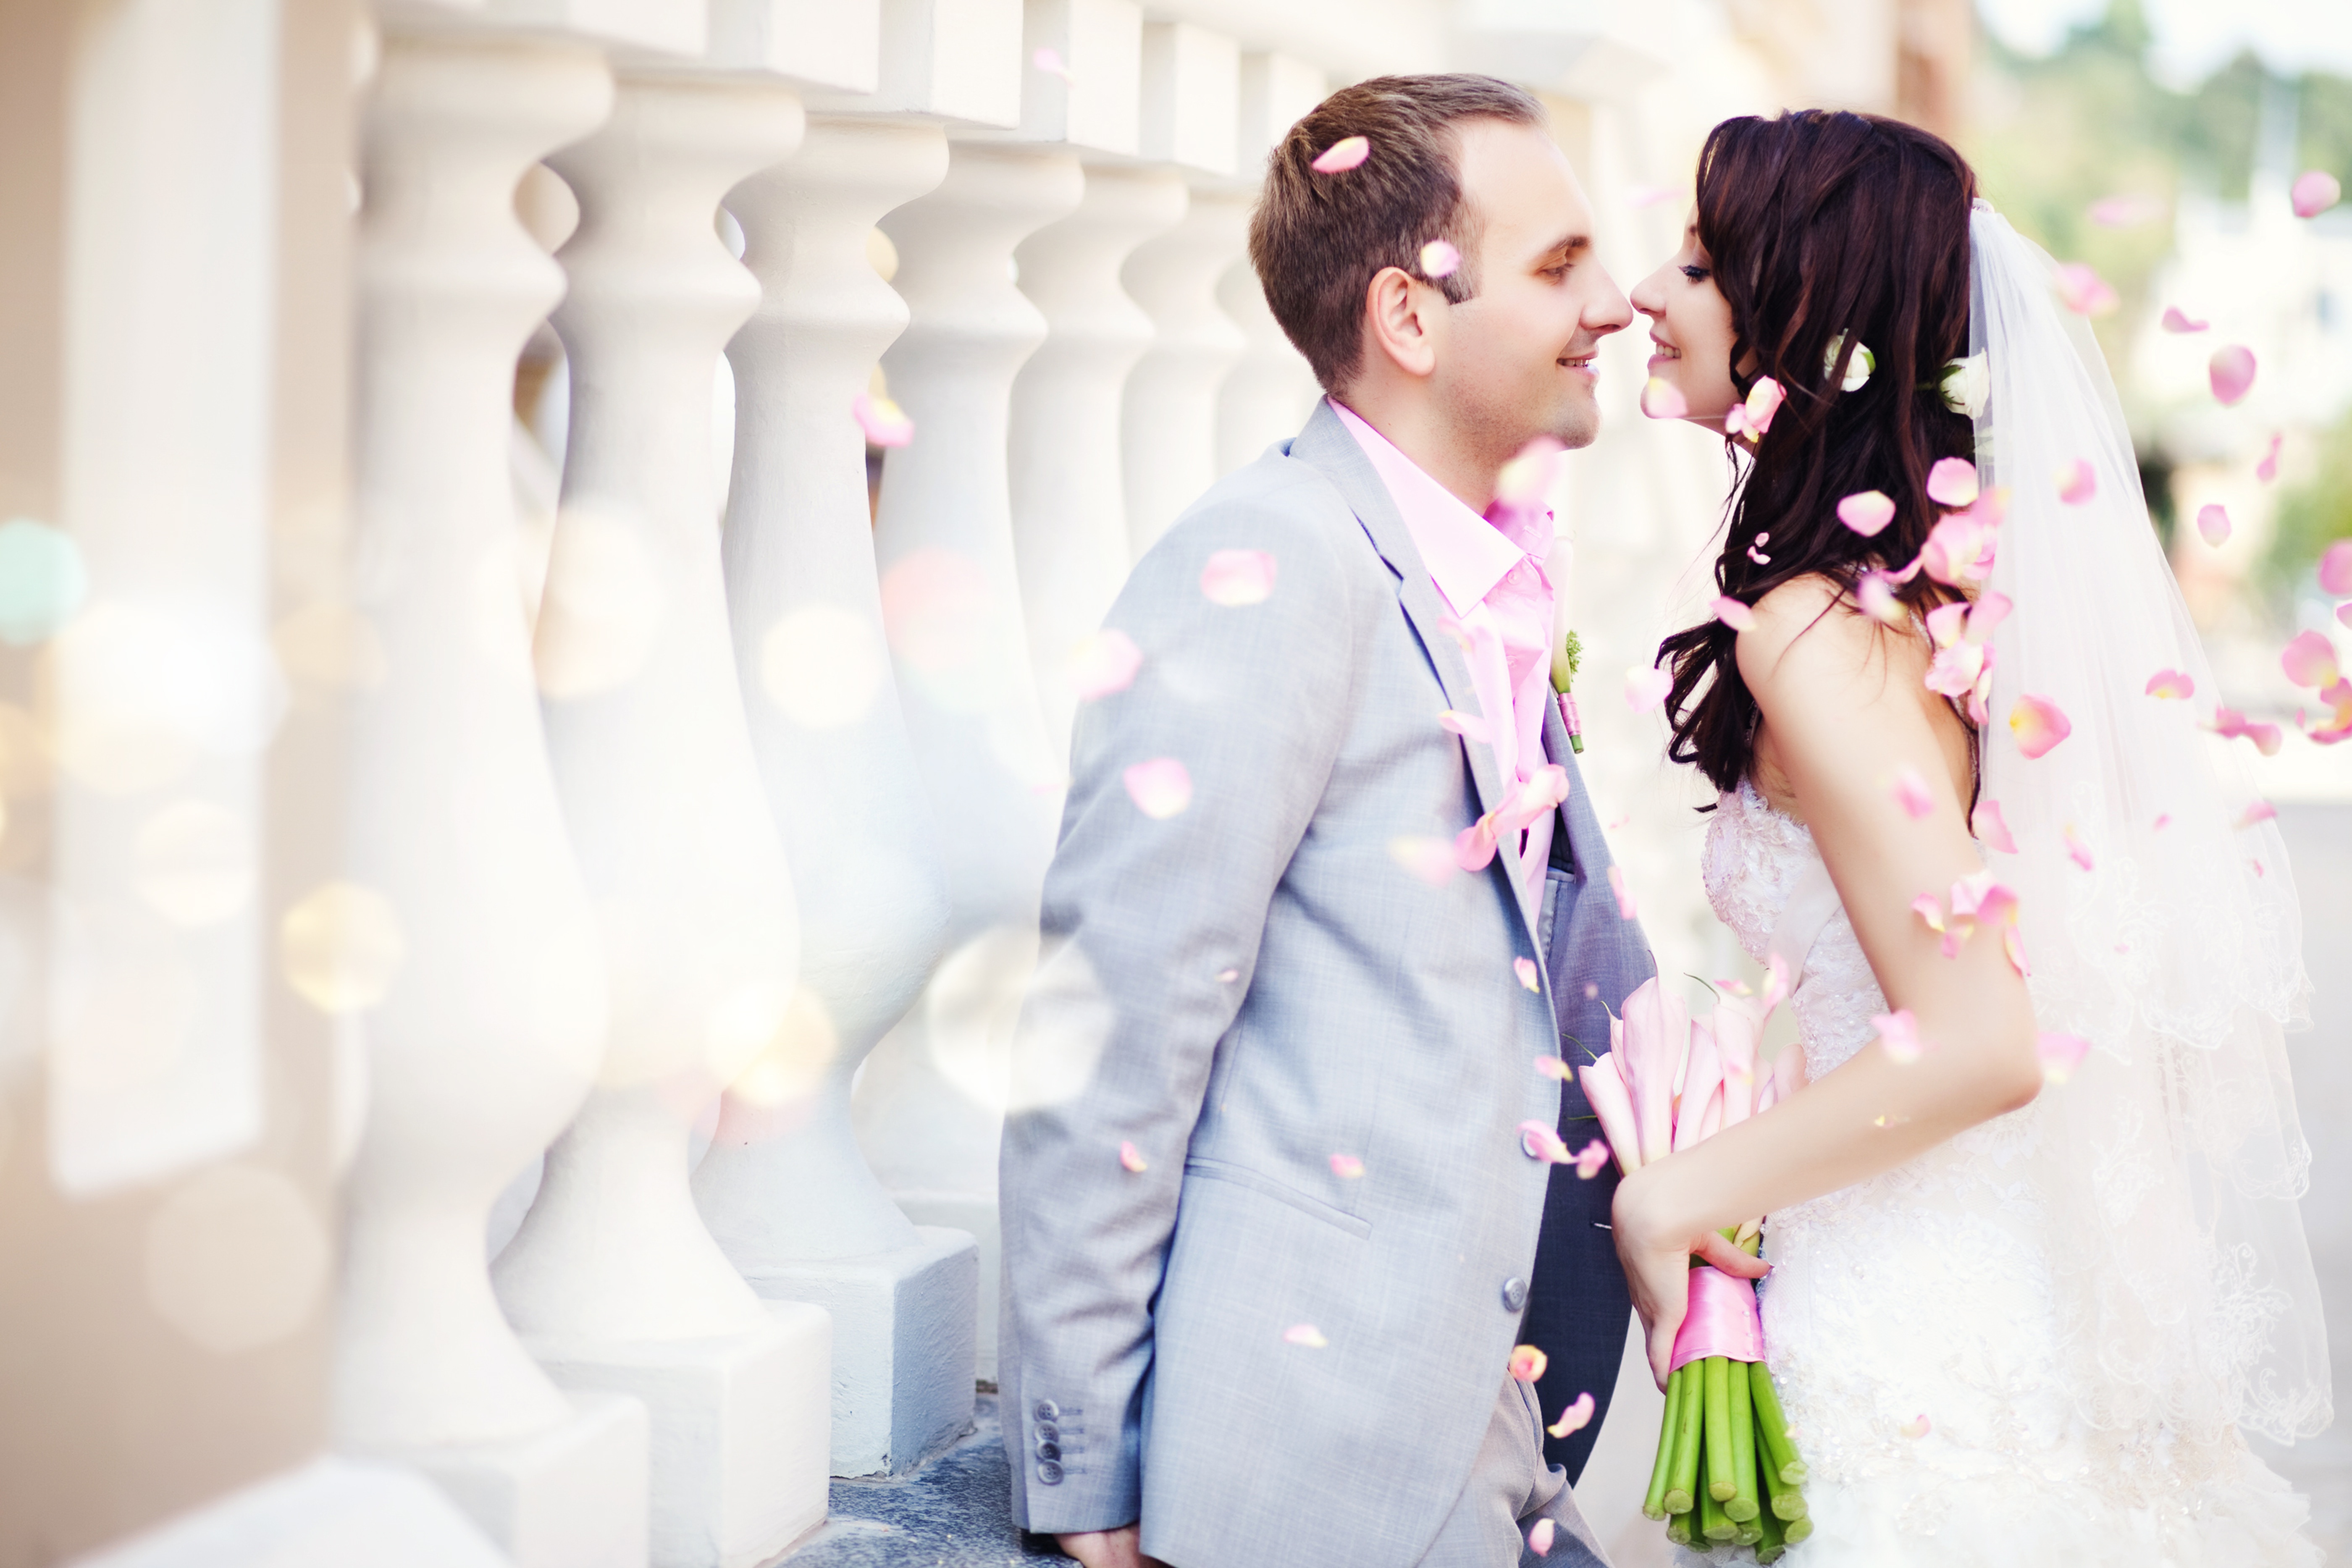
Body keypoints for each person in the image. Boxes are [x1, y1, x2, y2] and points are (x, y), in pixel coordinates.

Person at [1620, 108, 2329, 1563]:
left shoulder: (1815, 632)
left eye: (1696, 265)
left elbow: (1979, 1037)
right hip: (1977, 1267)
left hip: (1917, 1330)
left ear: (1795, 311)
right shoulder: (1932, 607)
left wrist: (1680, 1190)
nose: (1646, 293)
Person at [998, 74, 1678, 1568]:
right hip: (1303, 1474)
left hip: (1471, 1434)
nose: (1618, 303)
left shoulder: (1478, 572)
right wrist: (1084, 1477)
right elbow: (1116, 1020)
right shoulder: (1271, 563)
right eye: (1558, 264)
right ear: (1411, 318)